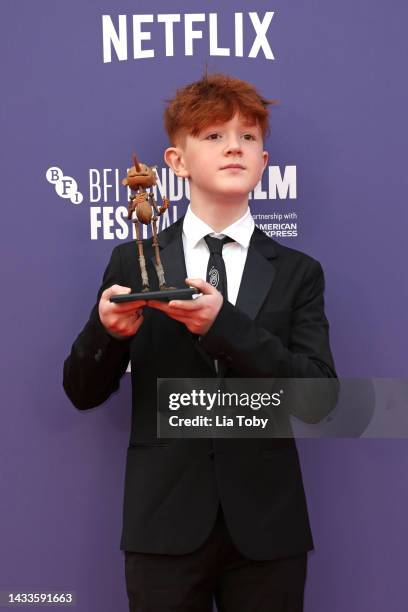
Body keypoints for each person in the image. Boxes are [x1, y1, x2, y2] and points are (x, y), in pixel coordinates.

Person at [63, 73, 336, 612]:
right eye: (213, 136)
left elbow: (320, 401)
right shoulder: (134, 261)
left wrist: (224, 326)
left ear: (263, 162)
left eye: (249, 137)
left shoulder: (298, 273)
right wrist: (107, 334)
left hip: (267, 530)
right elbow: (81, 390)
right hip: (162, 525)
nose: (234, 145)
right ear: (176, 161)